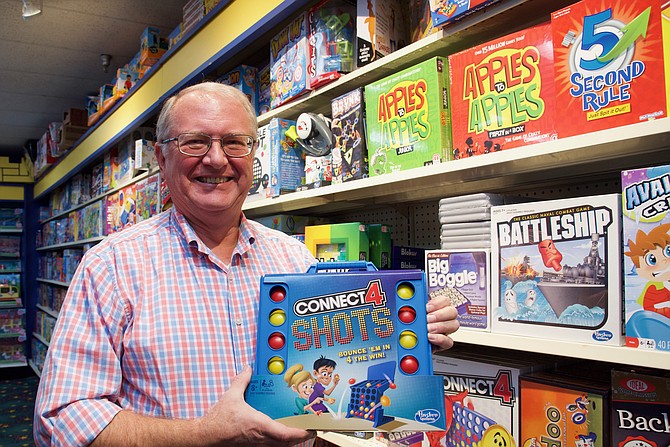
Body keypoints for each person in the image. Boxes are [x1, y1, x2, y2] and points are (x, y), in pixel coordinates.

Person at [34, 82, 460, 447]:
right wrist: (205, 433)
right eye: (195, 142)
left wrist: (404, 330)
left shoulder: (294, 258)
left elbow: (339, 364)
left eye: (234, 142)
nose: (217, 159)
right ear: (162, 159)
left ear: (253, 156)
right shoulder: (111, 266)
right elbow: (61, 420)